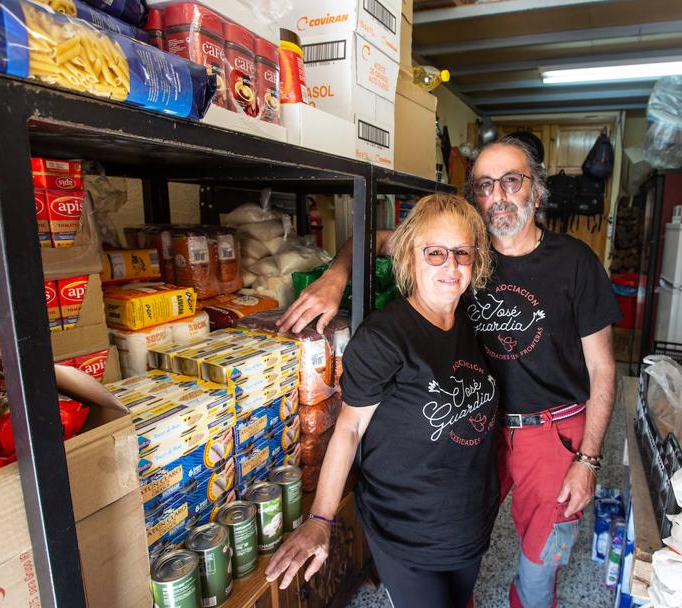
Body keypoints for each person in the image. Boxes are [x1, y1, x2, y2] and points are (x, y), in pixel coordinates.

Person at [279, 136, 621, 608]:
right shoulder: (457, 245)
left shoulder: (573, 262)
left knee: (542, 560)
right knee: (465, 531)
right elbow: (365, 242)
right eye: (485, 185)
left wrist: (588, 459)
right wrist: (335, 278)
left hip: (550, 432)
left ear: (536, 192)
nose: (498, 195)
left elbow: (604, 368)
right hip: (481, 428)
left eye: (512, 181)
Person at [265, 193, 501, 608]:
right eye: (435, 252)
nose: (451, 265)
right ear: (411, 258)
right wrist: (320, 518)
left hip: (469, 522)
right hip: (407, 530)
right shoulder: (384, 337)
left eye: (462, 252)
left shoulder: (468, 319)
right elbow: (349, 429)